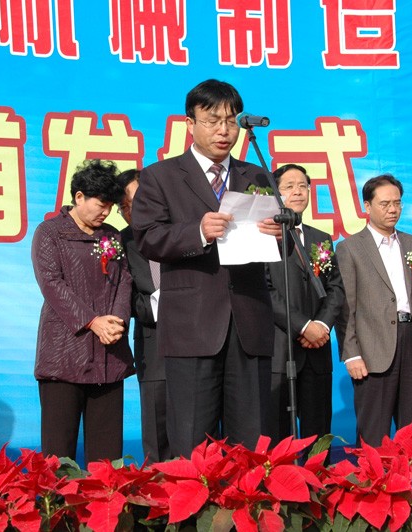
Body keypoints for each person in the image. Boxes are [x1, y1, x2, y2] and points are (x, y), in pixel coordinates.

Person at [131, 79, 280, 458]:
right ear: (190, 124)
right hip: (192, 327)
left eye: (231, 121)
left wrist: (280, 235)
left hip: (248, 324)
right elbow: (147, 237)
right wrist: (197, 232)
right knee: (192, 443)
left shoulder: (257, 176)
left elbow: (283, 246)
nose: (224, 131)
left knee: (252, 443)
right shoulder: (161, 176)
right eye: (213, 121)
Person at [31, 159, 134, 464]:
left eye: (110, 206)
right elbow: (51, 284)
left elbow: (124, 281)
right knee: (58, 451)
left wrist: (116, 323)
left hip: (108, 354)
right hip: (64, 354)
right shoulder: (50, 232)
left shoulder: (113, 236)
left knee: (107, 455)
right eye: (101, 204)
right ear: (79, 197)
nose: (106, 212)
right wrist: (92, 322)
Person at [336, 174, 412, 447]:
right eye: (385, 204)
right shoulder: (350, 248)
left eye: (397, 203)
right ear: (367, 206)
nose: (392, 209)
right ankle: (372, 476)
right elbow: (346, 307)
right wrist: (351, 354)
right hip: (372, 348)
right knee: (373, 431)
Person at [264, 164, 344, 443]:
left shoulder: (320, 238)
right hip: (279, 351)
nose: (298, 192)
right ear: (274, 194)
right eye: (289, 187)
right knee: (278, 437)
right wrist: (303, 326)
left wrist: (321, 325)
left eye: (303, 186)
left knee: (318, 433)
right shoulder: (264, 236)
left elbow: (335, 288)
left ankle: (320, 474)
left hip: (317, 352)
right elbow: (264, 290)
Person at [118, 169, 170, 464]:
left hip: (197, 340)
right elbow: (122, 295)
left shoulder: (178, 231)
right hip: (152, 342)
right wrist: (160, 304)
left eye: (136, 201)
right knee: (156, 429)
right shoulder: (120, 242)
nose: (131, 210)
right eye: (123, 206)